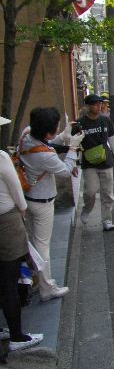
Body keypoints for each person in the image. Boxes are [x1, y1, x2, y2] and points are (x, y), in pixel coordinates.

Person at [20, 107, 84, 301]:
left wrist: (62, 136)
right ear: (49, 131)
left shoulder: (26, 135)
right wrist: (72, 147)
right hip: (42, 202)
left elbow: (45, 145)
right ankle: (47, 288)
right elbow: (65, 170)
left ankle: (37, 280)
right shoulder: (45, 156)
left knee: (33, 242)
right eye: (57, 126)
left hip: (28, 198)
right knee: (42, 246)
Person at [0, 115, 44, 352]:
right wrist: (23, 210)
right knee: (10, 279)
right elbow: (16, 189)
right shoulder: (2, 158)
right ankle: (17, 335)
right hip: (6, 221)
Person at [77, 94, 114, 231]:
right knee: (90, 191)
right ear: (88, 106)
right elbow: (74, 143)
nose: (99, 106)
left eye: (100, 104)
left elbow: (113, 139)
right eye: (96, 104)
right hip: (89, 162)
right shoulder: (80, 123)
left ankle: (107, 220)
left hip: (105, 160)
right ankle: (86, 210)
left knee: (107, 193)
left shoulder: (105, 120)